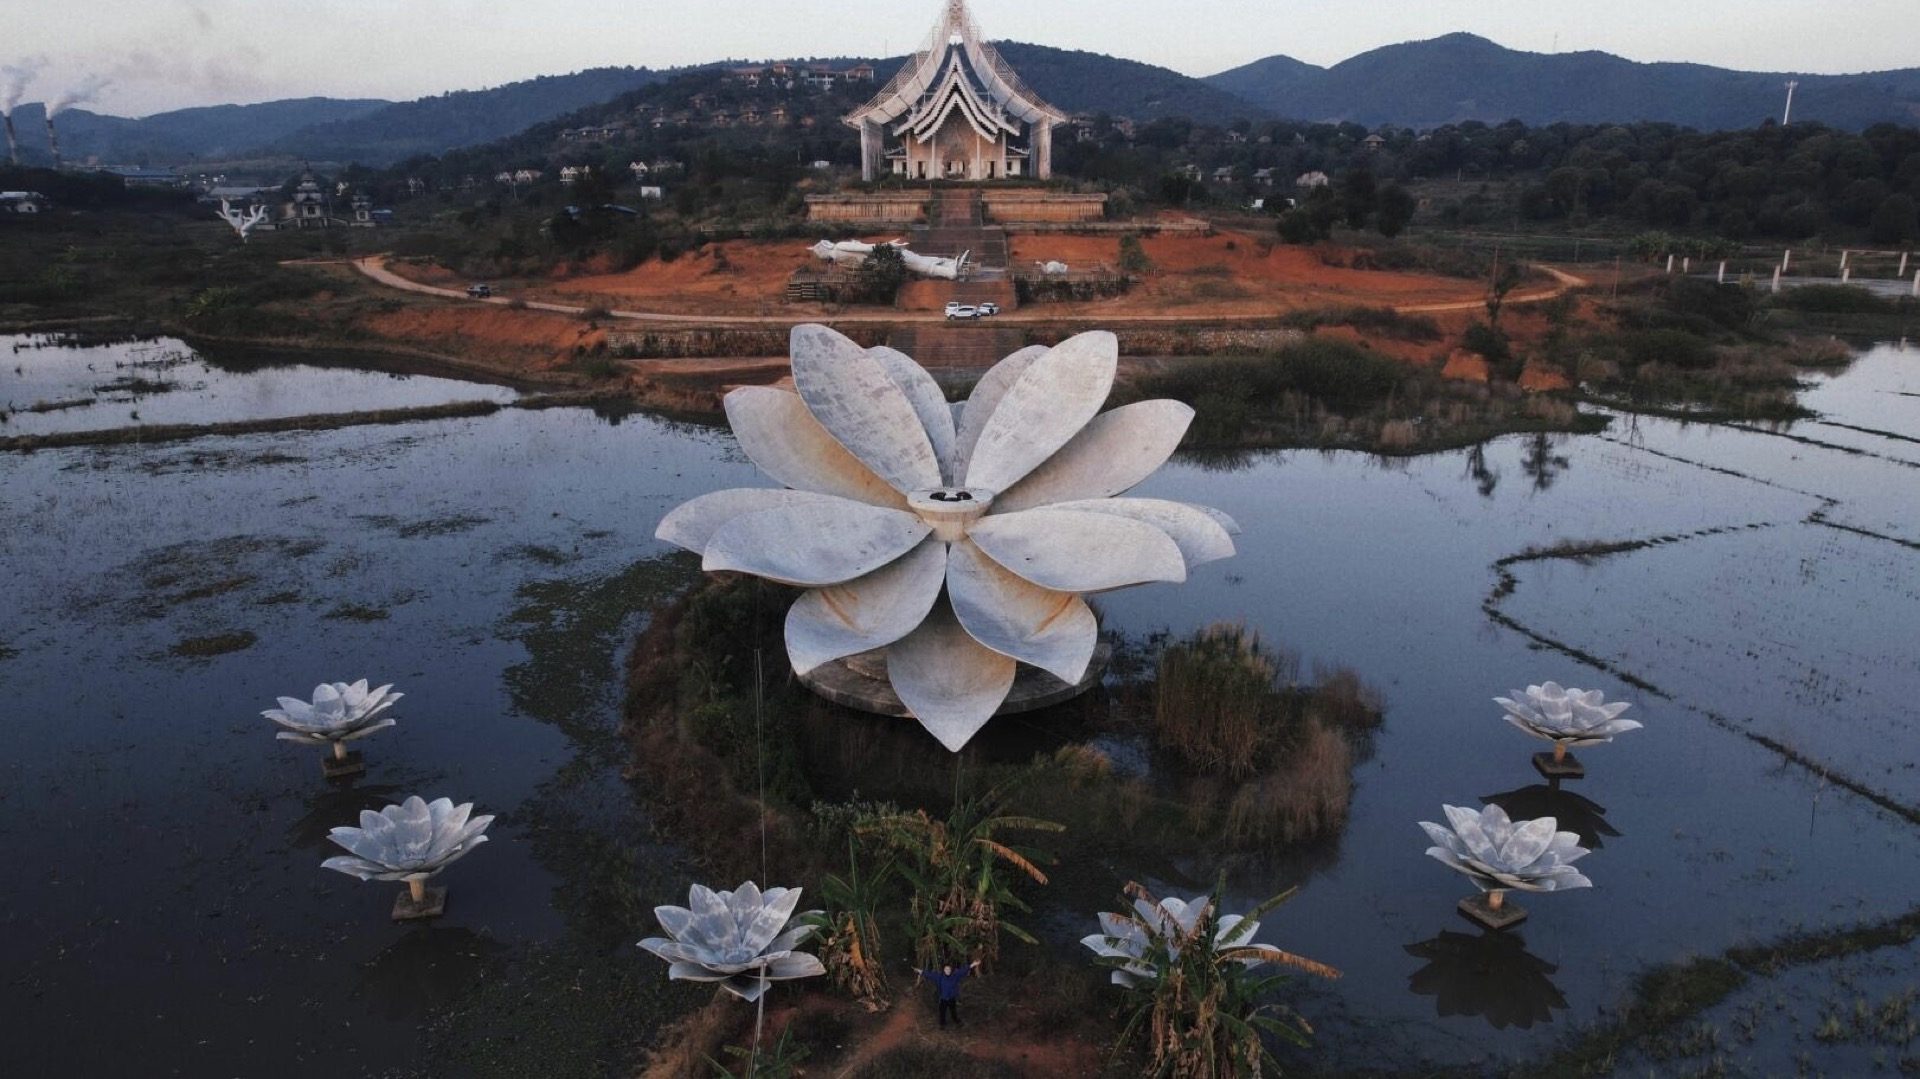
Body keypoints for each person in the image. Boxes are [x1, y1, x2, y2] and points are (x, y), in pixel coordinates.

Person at [912, 956, 981, 1028]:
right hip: (943, 999)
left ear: (951, 970)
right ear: (943, 970)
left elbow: (963, 970)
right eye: (946, 969)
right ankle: (942, 1024)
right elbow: (929, 974)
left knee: (953, 1012)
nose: (947, 970)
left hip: (952, 998)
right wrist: (920, 971)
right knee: (942, 1013)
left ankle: (956, 1021)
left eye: (949, 969)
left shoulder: (955, 976)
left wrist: (973, 964)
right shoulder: (939, 977)